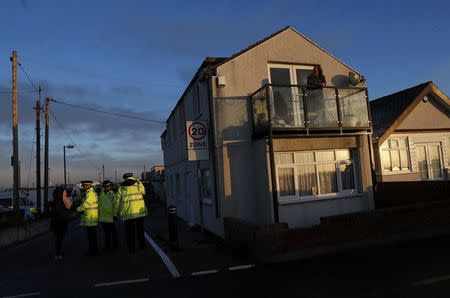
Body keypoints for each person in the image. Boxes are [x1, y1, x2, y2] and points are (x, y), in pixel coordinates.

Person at [117, 173, 147, 253]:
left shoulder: (121, 186)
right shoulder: (138, 183)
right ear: (132, 176)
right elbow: (144, 192)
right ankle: (142, 245)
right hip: (139, 213)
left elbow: (118, 200)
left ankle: (131, 248)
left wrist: (117, 211)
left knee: (130, 233)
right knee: (140, 230)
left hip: (128, 213)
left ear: (124, 178)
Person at [76, 180, 98, 256]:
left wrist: (78, 209)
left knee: (91, 236)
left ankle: (92, 251)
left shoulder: (90, 194)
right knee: (92, 236)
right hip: (90, 216)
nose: (83, 187)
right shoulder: (89, 193)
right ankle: (93, 250)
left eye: (84, 185)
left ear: (88, 186)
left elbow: (86, 204)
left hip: (90, 217)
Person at [50, 186, 72, 260]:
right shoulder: (58, 202)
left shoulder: (61, 200)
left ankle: (58, 252)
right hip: (59, 223)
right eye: (64, 192)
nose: (66, 193)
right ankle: (58, 254)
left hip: (61, 222)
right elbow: (61, 213)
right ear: (60, 193)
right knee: (59, 238)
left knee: (60, 238)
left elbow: (68, 207)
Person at [99, 180, 118, 251]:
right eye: (105, 186)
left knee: (113, 233)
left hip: (110, 217)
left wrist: (115, 215)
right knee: (106, 234)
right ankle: (107, 247)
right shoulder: (101, 193)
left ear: (111, 186)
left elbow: (115, 206)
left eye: (108, 186)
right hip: (103, 218)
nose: (107, 187)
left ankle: (115, 246)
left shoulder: (112, 194)